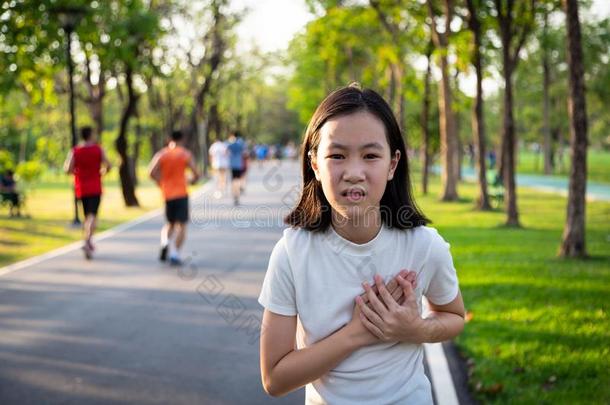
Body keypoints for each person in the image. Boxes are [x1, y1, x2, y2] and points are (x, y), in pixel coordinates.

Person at [258, 85, 465, 403]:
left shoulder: (424, 246)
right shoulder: (292, 253)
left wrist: (414, 329)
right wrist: (357, 333)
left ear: (393, 164)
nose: (354, 173)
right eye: (337, 156)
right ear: (314, 163)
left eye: (370, 156)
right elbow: (275, 378)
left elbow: (453, 317)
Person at [148, 130, 200, 266]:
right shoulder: (185, 154)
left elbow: (151, 172)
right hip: (181, 193)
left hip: (167, 194)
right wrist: (193, 180)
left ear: (169, 139)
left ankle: (165, 242)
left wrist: (160, 182)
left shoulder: (162, 154)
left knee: (169, 224)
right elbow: (196, 173)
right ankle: (175, 254)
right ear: (181, 139)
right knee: (181, 225)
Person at [64, 126, 112, 259]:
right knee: (92, 216)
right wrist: (102, 172)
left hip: (81, 187)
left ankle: (88, 240)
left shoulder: (75, 150)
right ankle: (87, 240)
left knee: (86, 216)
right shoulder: (98, 149)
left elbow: (67, 169)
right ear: (90, 135)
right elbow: (108, 165)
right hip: (95, 187)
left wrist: (78, 173)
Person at [226, 131, 245, 206]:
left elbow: (226, 152)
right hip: (239, 164)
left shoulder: (230, 144)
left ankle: (234, 193)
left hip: (232, 165)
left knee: (233, 180)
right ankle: (237, 194)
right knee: (238, 180)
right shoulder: (240, 144)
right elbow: (244, 153)